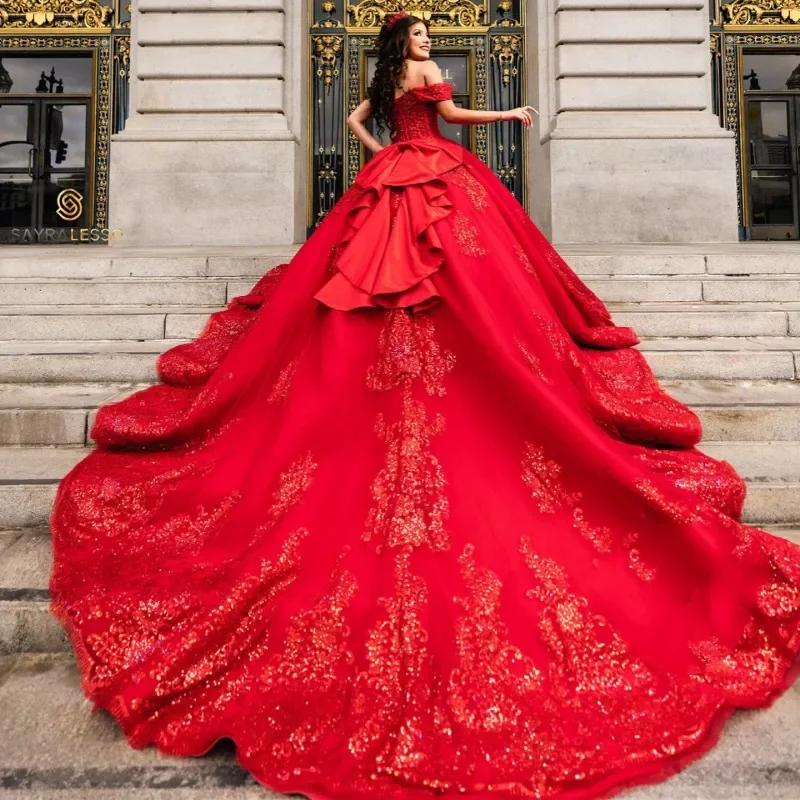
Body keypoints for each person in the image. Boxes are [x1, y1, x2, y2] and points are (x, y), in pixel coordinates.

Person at [50, 10, 800, 800]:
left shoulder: (384, 84)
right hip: (434, 177)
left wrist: (386, 151)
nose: (424, 50)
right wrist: (502, 116)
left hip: (395, 178)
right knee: (477, 279)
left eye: (423, 43)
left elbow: (354, 119)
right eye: (417, 40)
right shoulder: (421, 81)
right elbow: (453, 116)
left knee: (373, 280)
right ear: (405, 48)